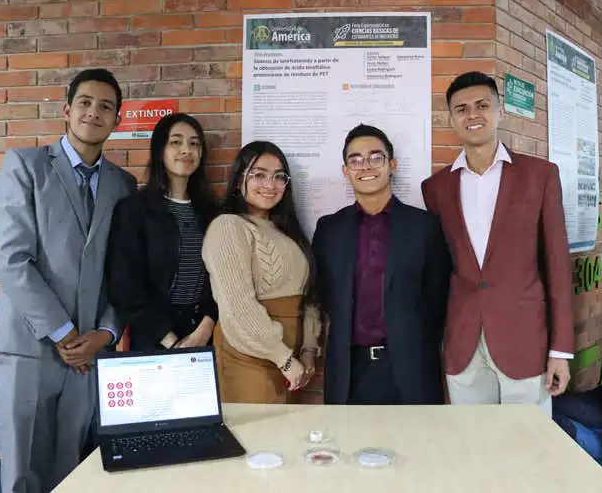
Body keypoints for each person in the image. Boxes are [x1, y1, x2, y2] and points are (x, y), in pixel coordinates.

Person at [0, 68, 137, 493]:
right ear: (67, 109)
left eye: (106, 106)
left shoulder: (124, 186)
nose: (95, 112)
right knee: (23, 474)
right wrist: (64, 332)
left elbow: (121, 274)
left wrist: (105, 333)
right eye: (86, 102)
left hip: (88, 354)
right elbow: (12, 259)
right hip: (29, 346)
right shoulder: (26, 166)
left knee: (74, 472)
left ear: (117, 120)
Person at [421, 71, 573, 416]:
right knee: (472, 446)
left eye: (482, 105)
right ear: (451, 119)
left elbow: (558, 267)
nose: (472, 115)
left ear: (499, 111)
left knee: (529, 447)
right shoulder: (435, 188)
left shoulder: (540, 175)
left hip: (524, 338)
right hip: (463, 342)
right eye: (461, 109)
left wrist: (560, 350)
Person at [313, 124, 451, 405]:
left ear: (392, 165)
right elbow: (325, 296)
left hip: (411, 368)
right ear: (345, 170)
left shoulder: (424, 226)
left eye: (376, 157)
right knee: (350, 445)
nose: (366, 166)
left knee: (416, 446)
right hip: (350, 370)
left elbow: (438, 299)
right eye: (355, 160)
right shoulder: (329, 229)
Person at [202, 141, 321, 403]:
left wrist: (308, 349)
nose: (270, 184)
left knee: (281, 439)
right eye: (259, 175)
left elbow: (309, 296)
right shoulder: (228, 226)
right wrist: (284, 358)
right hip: (248, 354)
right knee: (255, 438)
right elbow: (237, 305)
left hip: (288, 356)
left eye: (279, 177)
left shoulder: (288, 234)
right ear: (238, 181)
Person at [106, 113, 219, 352]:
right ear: (160, 150)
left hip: (204, 335)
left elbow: (221, 281)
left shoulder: (212, 213)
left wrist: (205, 329)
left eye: (194, 143)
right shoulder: (134, 210)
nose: (186, 150)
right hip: (153, 338)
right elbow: (124, 287)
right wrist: (170, 340)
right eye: (176, 142)